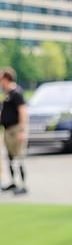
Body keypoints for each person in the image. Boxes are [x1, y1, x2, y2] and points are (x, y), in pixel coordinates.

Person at [0, 67, 28, 195]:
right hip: (7, 129)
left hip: (16, 129)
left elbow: (23, 111)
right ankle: (13, 182)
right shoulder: (7, 94)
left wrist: (22, 131)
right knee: (10, 157)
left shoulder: (16, 93)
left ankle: (23, 185)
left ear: (6, 78)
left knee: (19, 157)